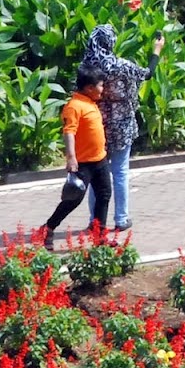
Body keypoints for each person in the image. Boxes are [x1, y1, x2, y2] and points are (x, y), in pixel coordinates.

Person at [79, 23, 163, 232]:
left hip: (95, 126)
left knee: (97, 175)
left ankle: (95, 221)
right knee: (120, 172)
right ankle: (121, 218)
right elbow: (147, 74)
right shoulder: (121, 65)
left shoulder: (86, 68)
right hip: (122, 125)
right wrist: (157, 50)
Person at [39, 66, 110, 249]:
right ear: (89, 88)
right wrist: (71, 158)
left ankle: (100, 236)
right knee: (73, 199)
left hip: (99, 160)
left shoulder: (90, 101)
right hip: (83, 164)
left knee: (104, 196)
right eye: (101, 85)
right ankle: (48, 228)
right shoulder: (74, 106)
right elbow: (69, 132)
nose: (103, 89)